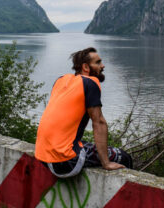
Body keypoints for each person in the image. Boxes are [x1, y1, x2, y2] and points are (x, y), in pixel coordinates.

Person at [35, 47, 132, 177]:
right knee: (124, 157)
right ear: (86, 67)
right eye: (98, 63)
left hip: (43, 157)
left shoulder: (60, 80)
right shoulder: (90, 83)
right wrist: (106, 163)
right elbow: (99, 122)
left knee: (86, 143)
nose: (102, 66)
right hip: (65, 163)